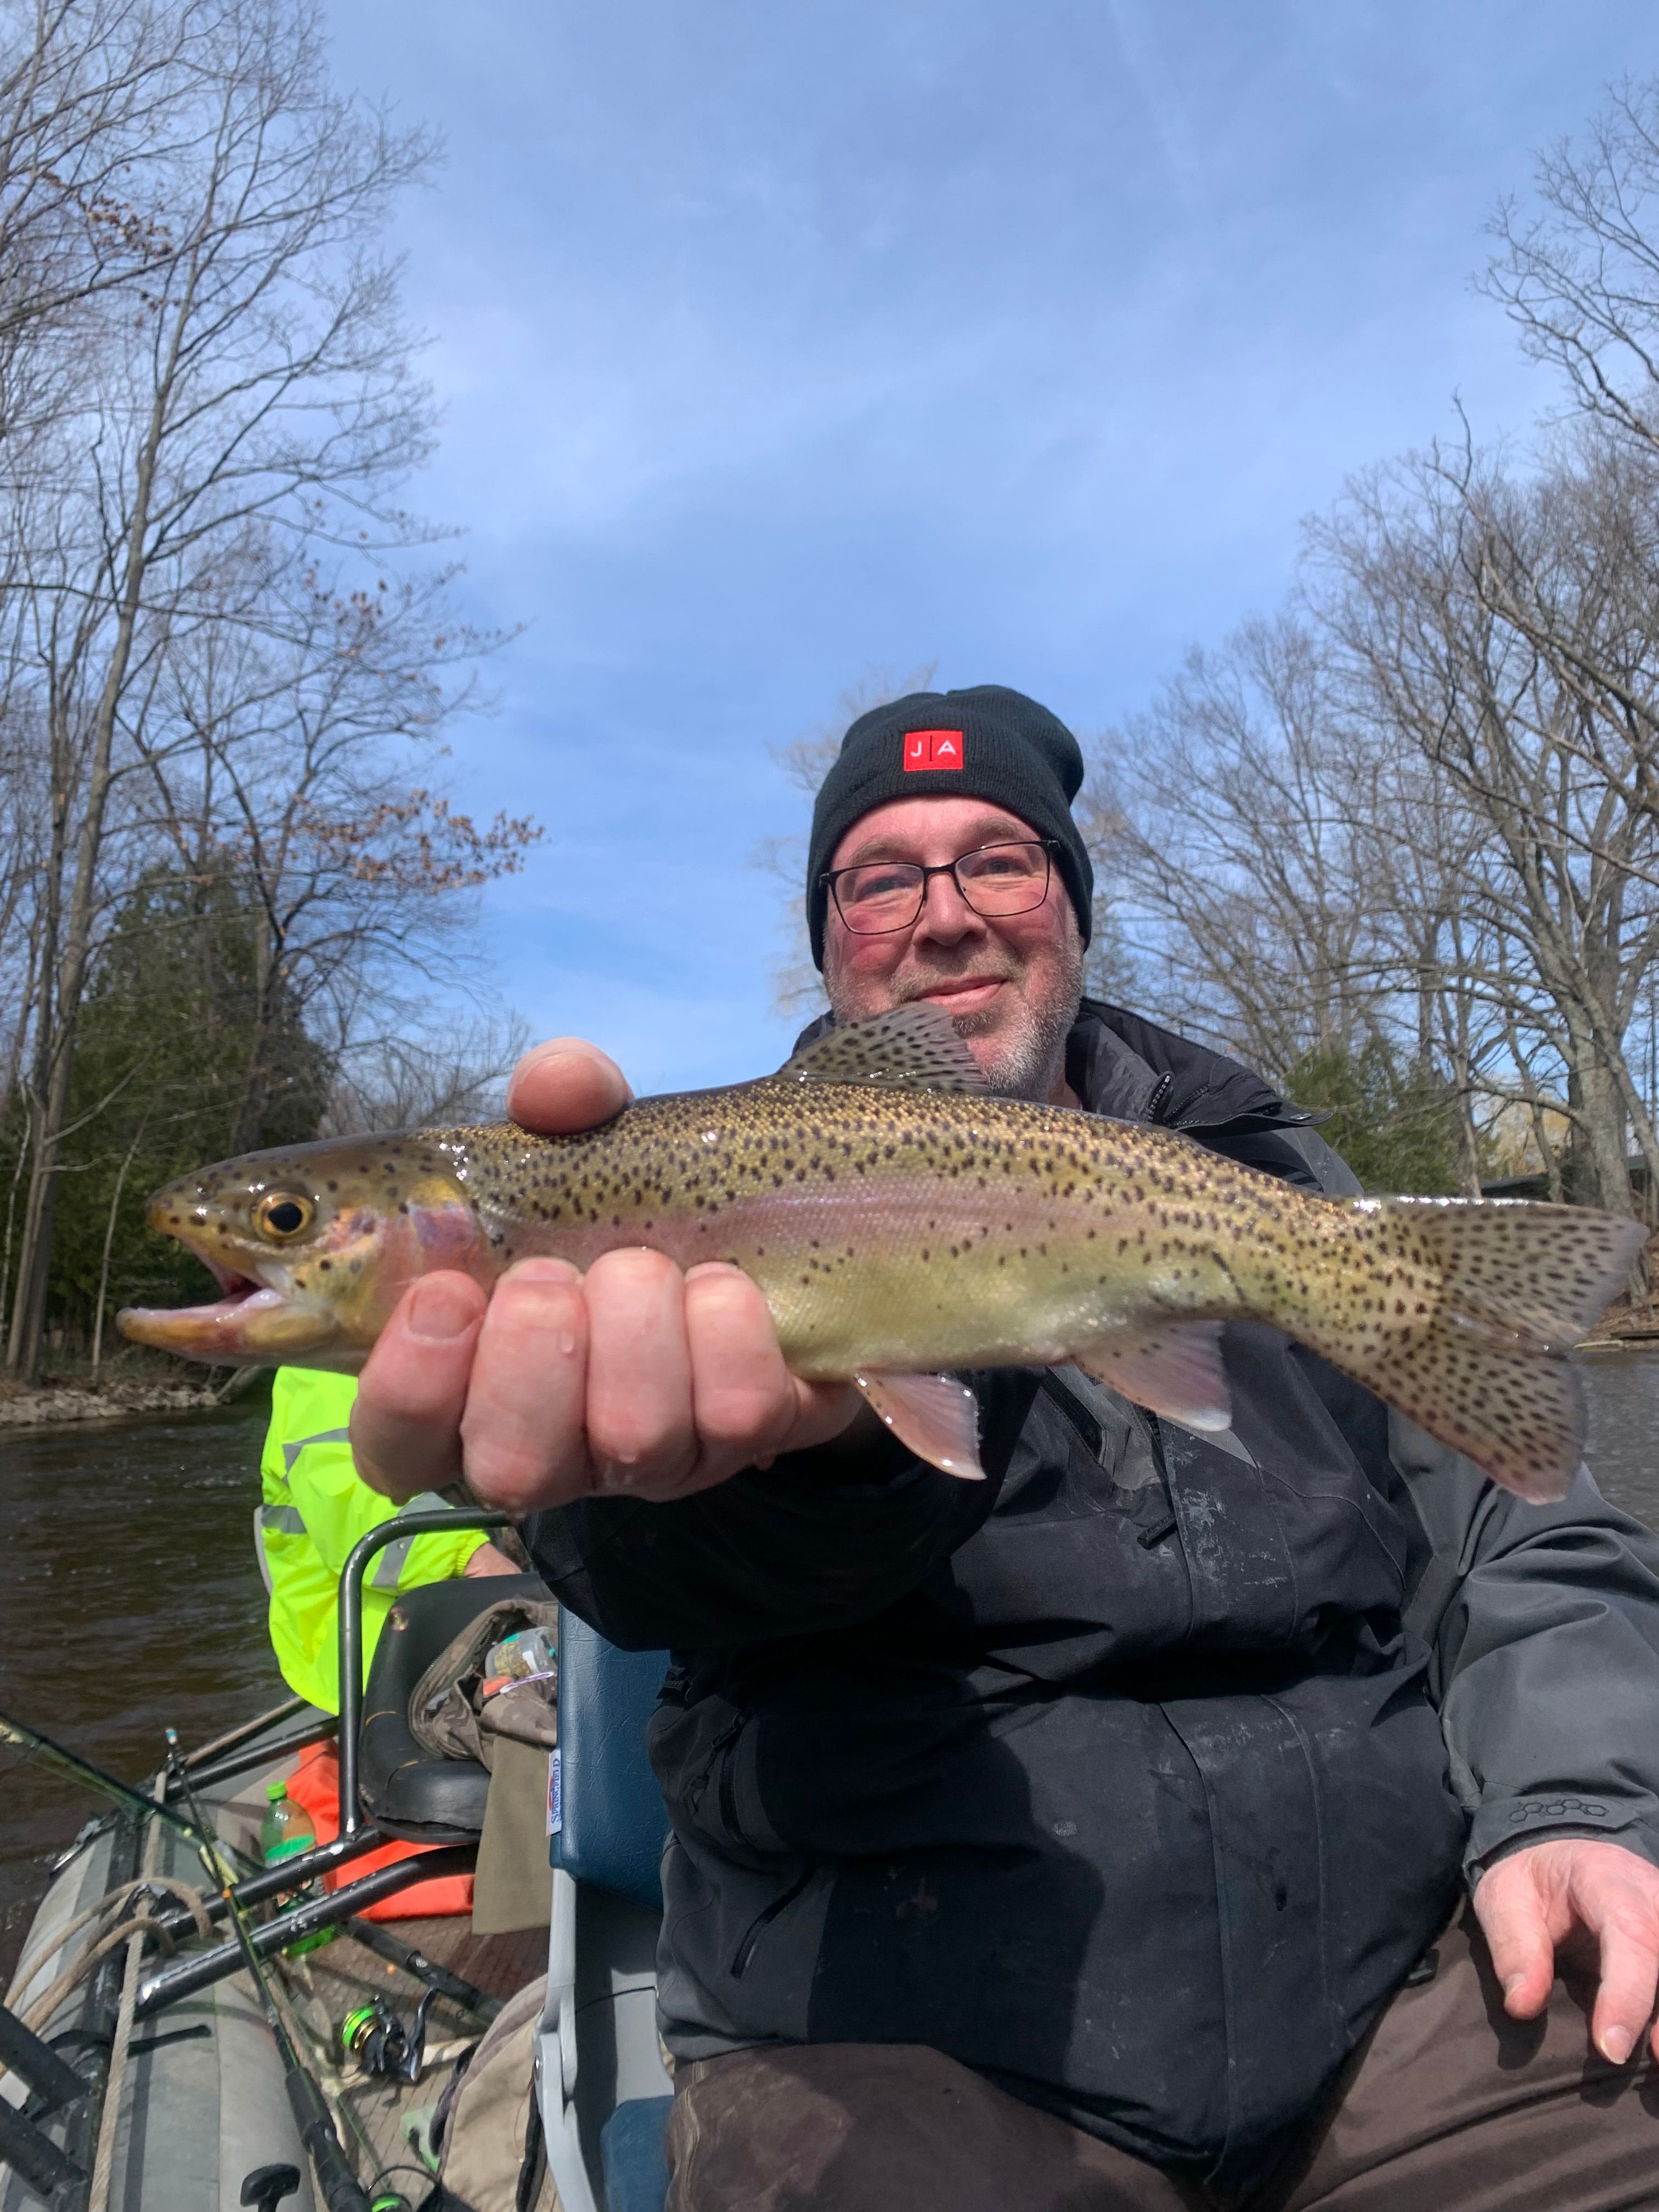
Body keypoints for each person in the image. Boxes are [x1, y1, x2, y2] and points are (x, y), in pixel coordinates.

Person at [346, 687, 1659, 2210]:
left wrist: (1582, 1801)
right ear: (834, 940)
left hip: (1413, 1995)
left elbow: (1529, 1534)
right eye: (884, 876)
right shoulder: (677, 1198)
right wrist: (763, 1475)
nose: (946, 915)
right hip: (901, 2050)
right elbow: (662, 1578)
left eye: (1000, 862)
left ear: (1070, 910)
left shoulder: (1263, 1172)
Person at [258, 1363, 520, 1713]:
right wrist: (473, 1557)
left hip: (463, 1625)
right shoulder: (324, 1372)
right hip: (376, 1653)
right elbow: (355, 1503)